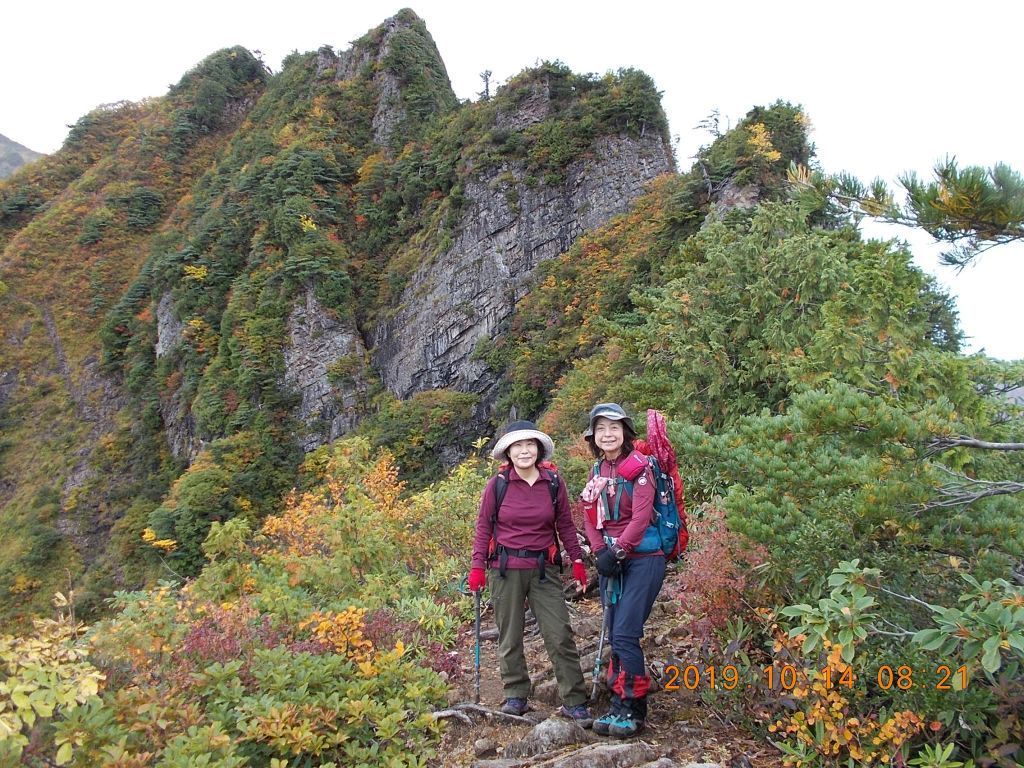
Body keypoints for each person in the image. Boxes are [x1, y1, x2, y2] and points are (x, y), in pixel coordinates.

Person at [468, 420, 593, 726]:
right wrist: (477, 566)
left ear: (538, 450)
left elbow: (564, 524)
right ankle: (515, 694)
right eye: (517, 446)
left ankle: (575, 700)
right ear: (508, 452)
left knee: (559, 633)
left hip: (543, 570)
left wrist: (577, 560)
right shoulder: (497, 485)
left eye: (529, 445)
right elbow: (484, 526)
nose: (524, 451)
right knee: (509, 636)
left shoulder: (553, 483)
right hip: (504, 569)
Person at [581, 403, 666, 738]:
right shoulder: (596, 471)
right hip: (612, 560)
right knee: (615, 632)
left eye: (614, 428)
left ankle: (634, 707)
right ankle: (618, 702)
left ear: (625, 433)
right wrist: (601, 552)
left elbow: (642, 517)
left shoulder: (641, 468)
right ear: (594, 436)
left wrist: (616, 550)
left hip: (645, 558)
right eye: (601, 429)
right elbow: (589, 514)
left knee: (626, 633)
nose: (608, 434)